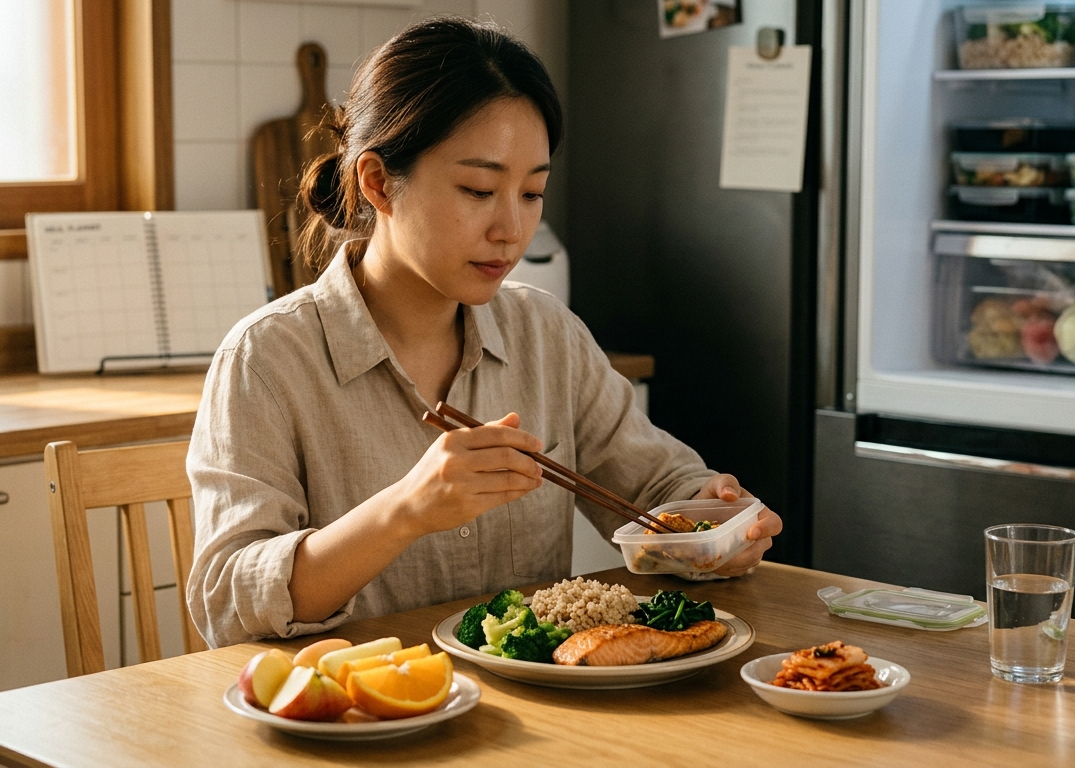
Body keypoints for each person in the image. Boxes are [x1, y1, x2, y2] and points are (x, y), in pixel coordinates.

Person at [186, 16, 783, 648]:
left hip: (532, 716)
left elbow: (654, 489)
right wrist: (403, 511)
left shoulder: (545, 333)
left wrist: (712, 520)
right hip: (367, 717)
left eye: (532, 194)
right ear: (378, 182)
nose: (510, 230)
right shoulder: (269, 356)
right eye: (478, 189)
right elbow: (228, 601)